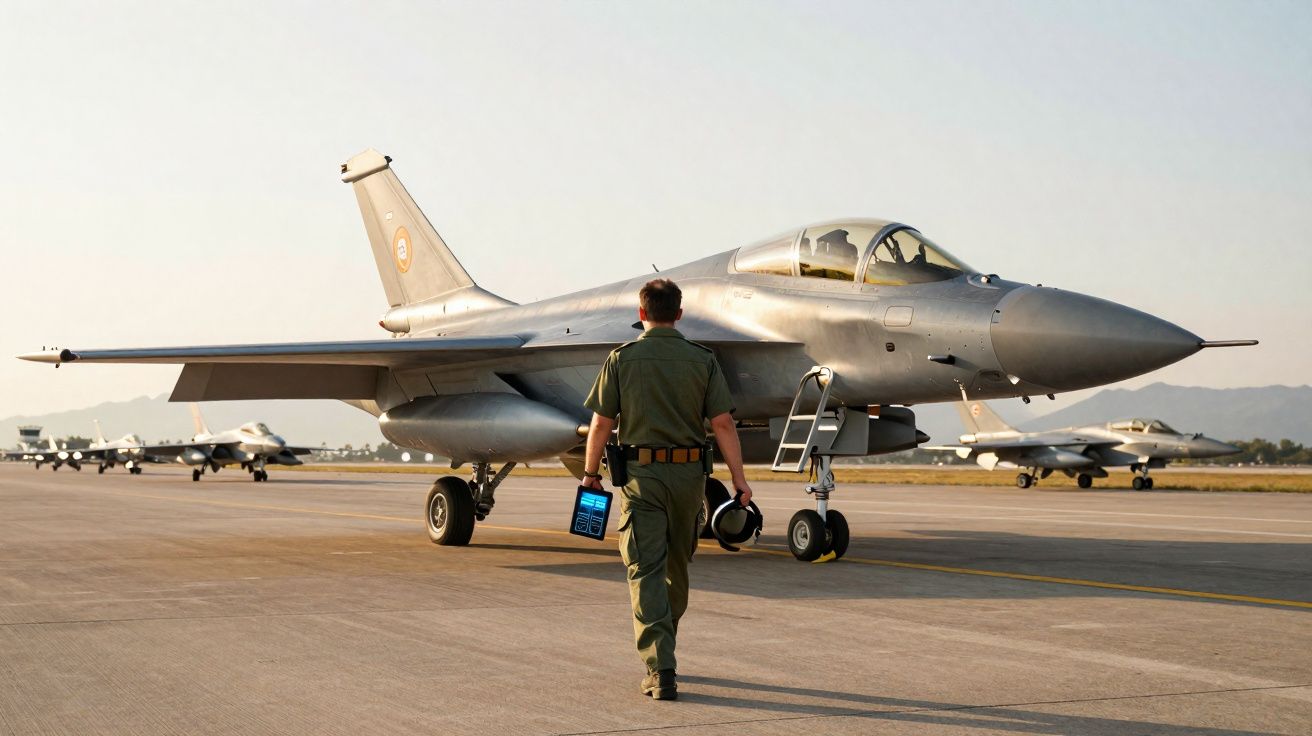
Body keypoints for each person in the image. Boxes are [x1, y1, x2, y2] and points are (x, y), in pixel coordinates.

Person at [582, 278, 754, 701]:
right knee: (676, 569)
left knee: (644, 569)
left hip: (641, 479)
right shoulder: (702, 359)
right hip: (689, 482)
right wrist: (739, 480)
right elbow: (723, 424)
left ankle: (660, 666)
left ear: (642, 314)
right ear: (679, 313)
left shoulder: (622, 358)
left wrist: (590, 473)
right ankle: (665, 651)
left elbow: (602, 424)